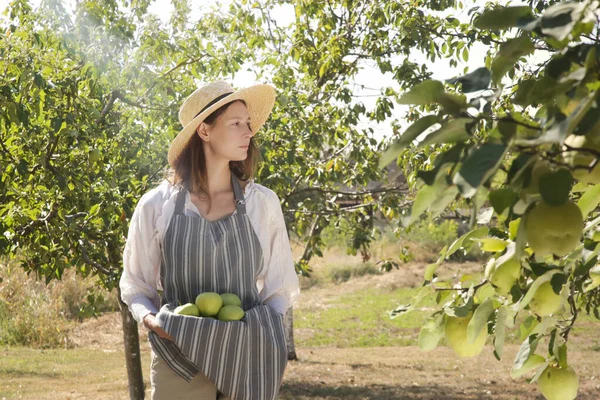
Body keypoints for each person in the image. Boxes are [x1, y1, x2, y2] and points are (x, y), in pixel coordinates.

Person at [119, 81, 300, 400]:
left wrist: (259, 333)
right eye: (236, 124)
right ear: (204, 130)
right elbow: (135, 286)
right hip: (179, 359)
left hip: (247, 358)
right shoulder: (157, 205)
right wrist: (154, 321)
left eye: (248, 124)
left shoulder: (262, 204)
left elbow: (280, 287)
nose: (248, 132)